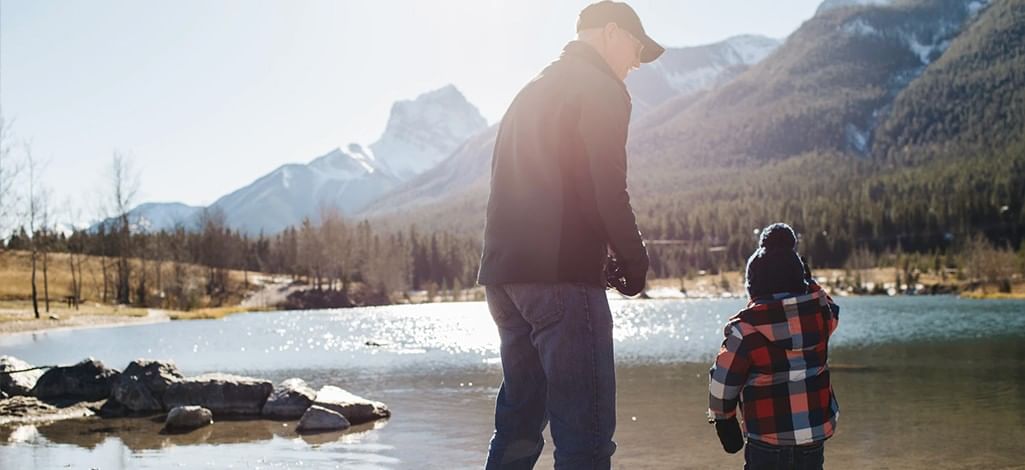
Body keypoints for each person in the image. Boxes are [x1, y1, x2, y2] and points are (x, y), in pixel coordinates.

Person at [475, 1, 664, 468]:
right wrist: (635, 262)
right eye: (637, 49)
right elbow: (607, 188)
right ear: (612, 32)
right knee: (587, 438)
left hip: (504, 280)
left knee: (518, 428)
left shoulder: (531, 90)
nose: (636, 63)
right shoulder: (601, 87)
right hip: (561, 280)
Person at [707, 223, 840, 470]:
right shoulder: (821, 316)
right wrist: (809, 283)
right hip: (813, 435)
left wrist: (724, 420)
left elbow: (723, 381)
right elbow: (828, 304)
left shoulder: (746, 329)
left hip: (766, 441)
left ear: (753, 287)